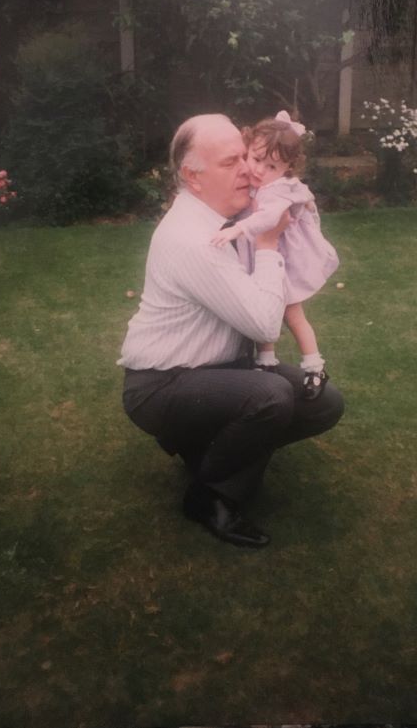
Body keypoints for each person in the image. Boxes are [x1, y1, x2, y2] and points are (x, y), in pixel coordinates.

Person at [118, 114, 344, 549]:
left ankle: (207, 448)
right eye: (230, 162)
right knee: (270, 397)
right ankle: (211, 497)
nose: (247, 169)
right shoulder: (192, 239)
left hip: (217, 368)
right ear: (193, 177)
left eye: (245, 155)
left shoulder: (228, 218)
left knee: (322, 403)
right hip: (161, 385)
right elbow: (263, 322)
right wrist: (266, 246)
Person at [211, 111, 339, 399]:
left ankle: (314, 367)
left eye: (271, 166)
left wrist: (238, 229)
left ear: (287, 168)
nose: (259, 170)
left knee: (292, 314)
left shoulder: (278, 190)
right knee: (263, 308)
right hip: (262, 257)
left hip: (281, 261)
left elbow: (268, 219)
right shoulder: (262, 184)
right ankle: (266, 362)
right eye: (256, 159)